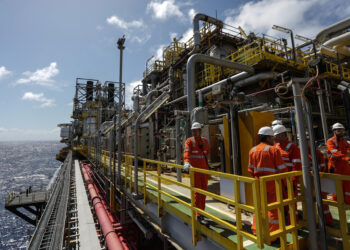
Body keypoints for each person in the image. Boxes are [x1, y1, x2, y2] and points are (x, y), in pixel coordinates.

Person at [248, 126, 287, 238]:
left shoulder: (253, 150)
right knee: (273, 209)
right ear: (268, 138)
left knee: (259, 208)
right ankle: (273, 235)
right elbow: (282, 169)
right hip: (272, 183)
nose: (274, 140)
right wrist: (285, 184)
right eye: (272, 138)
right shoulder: (273, 150)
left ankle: (256, 231)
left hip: (258, 183)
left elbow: (250, 169)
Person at [184, 122, 210, 226]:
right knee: (197, 192)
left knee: (203, 192)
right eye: (193, 131)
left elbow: (207, 152)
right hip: (195, 171)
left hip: (204, 171)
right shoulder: (189, 141)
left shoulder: (205, 141)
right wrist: (186, 162)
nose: (195, 132)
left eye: (196, 130)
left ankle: (201, 211)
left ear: (200, 131)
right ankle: (198, 214)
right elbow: (187, 152)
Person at [305, 133, 333, 225]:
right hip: (308, 182)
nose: (306, 142)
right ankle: (313, 222)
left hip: (318, 180)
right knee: (309, 202)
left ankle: (327, 221)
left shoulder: (316, 152)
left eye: (307, 140)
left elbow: (322, 166)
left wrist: (318, 176)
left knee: (322, 202)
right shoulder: (302, 152)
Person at [327, 122, 350, 203]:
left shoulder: (344, 141)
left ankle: (348, 202)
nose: (342, 132)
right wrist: (347, 158)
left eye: (342, 130)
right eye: (339, 131)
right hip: (335, 167)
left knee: (348, 185)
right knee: (337, 187)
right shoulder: (330, 141)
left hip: (345, 167)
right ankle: (338, 203)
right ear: (334, 131)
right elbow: (335, 153)